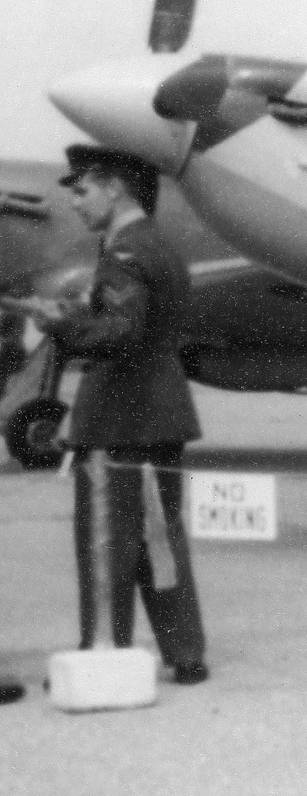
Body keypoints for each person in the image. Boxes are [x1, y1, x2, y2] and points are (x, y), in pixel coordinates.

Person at [4, 146, 207, 685]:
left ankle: (99, 652)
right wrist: (70, 315)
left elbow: (118, 333)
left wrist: (59, 326)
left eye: (82, 189)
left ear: (114, 188)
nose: (73, 200)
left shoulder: (123, 252)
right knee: (160, 537)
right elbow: (135, 322)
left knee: (105, 538)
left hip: (118, 413)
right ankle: (185, 653)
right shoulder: (159, 245)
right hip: (161, 409)